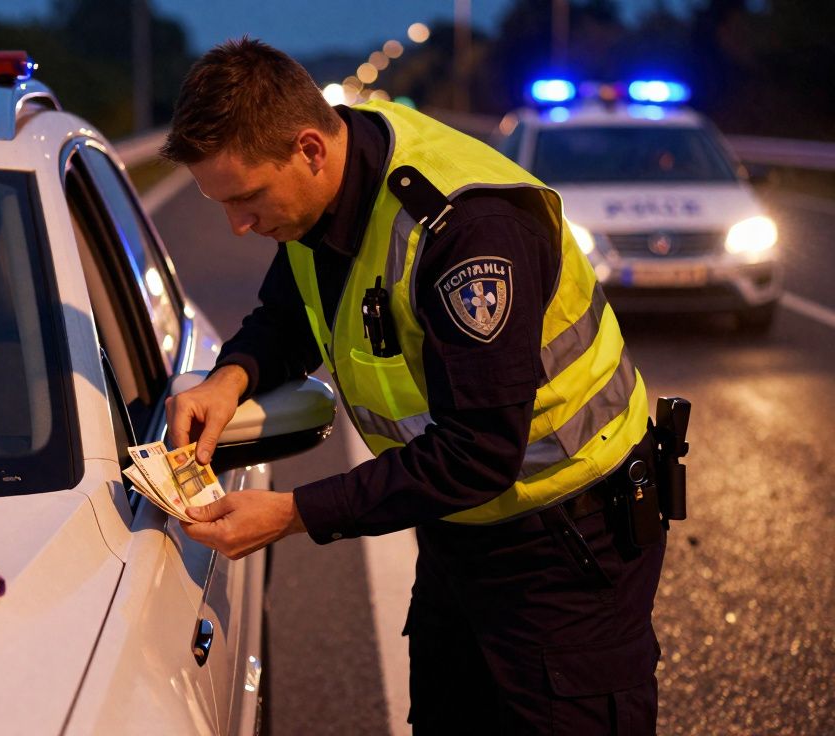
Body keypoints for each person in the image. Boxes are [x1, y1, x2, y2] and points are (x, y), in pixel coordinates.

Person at [161, 38, 668, 734]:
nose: (238, 226)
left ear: (310, 148)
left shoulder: (464, 232)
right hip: (461, 530)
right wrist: (232, 375)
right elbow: (291, 311)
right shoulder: (319, 195)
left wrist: (292, 513)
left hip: (568, 542)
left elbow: (481, 453)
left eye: (247, 198)